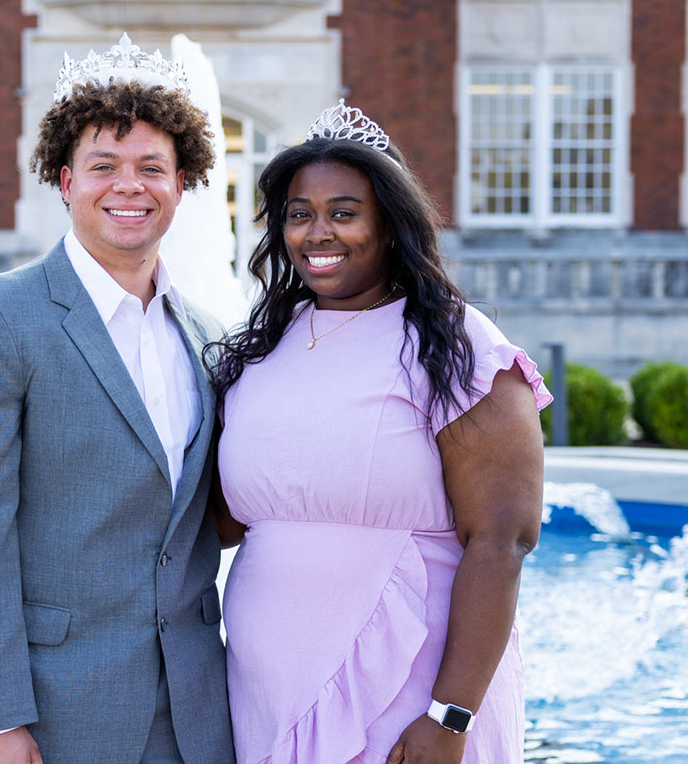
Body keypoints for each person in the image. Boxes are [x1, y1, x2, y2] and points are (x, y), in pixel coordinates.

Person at [0, 35, 235, 764]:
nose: (130, 185)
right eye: (103, 167)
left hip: (195, 715)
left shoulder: (208, 338)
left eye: (152, 167)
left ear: (181, 184)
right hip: (49, 716)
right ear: (64, 180)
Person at [208, 100, 552, 764]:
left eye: (344, 213)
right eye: (299, 215)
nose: (317, 233)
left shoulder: (458, 347)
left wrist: (449, 718)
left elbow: (503, 540)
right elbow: (224, 523)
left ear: (391, 226)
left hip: (410, 692)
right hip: (266, 689)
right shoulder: (261, 352)